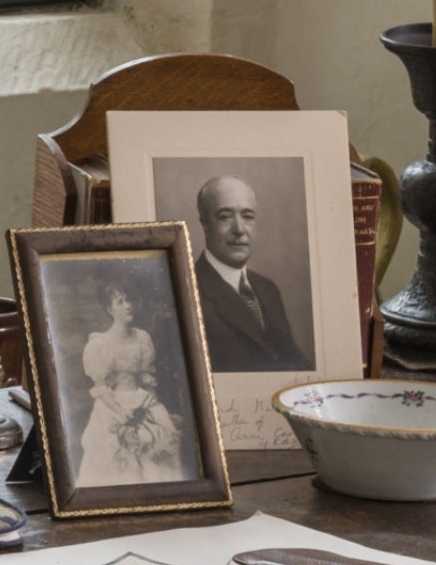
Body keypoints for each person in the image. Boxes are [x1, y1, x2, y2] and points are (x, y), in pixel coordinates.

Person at [76, 281, 192, 486]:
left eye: (130, 300)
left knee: (159, 452)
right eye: (120, 302)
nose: (128, 305)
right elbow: (101, 388)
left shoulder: (142, 337)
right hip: (113, 405)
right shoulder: (100, 344)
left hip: (143, 400)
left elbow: (147, 380)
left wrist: (156, 411)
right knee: (117, 456)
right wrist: (122, 415)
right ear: (109, 309)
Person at [190, 175, 307, 371]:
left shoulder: (267, 288)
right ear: (205, 225)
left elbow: (295, 360)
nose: (239, 229)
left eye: (247, 216)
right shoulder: (188, 292)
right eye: (225, 217)